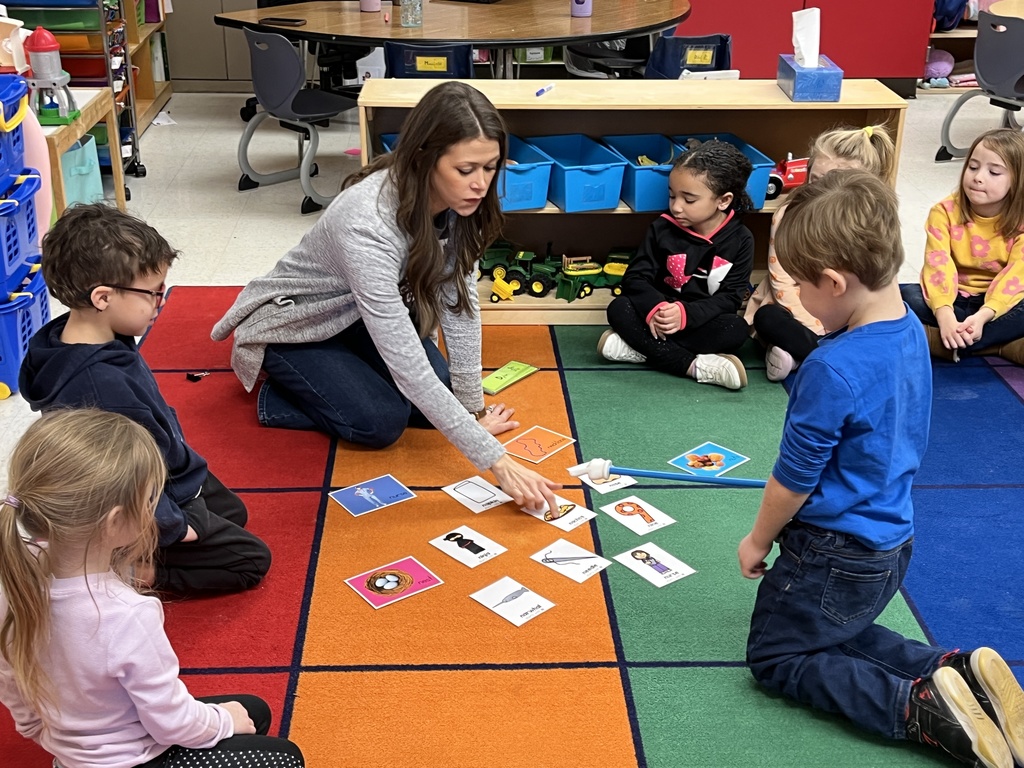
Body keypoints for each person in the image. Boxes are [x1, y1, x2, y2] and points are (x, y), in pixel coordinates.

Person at [738, 169, 1023, 768]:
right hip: (893, 545)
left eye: (799, 290)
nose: (799, 305)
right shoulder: (913, 336)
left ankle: (919, 709)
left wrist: (757, 538)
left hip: (831, 550)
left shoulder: (830, 367)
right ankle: (955, 672)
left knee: (777, 655)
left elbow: (794, 479)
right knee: (832, 631)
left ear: (834, 282)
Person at [212, 81, 560, 516]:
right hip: (294, 325)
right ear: (425, 160)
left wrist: (471, 410)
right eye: (467, 170)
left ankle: (347, 382)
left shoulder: (456, 204)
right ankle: (277, 389)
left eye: (490, 168)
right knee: (380, 423)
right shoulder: (366, 222)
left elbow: (459, 305)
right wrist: (498, 462)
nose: (481, 184)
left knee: (438, 396)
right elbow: (406, 363)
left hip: (355, 317)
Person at [0, 409, 305, 768]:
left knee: (253, 712)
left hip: (74, 755)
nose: (154, 511)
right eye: (150, 501)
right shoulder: (127, 614)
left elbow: (12, 687)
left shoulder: (14, 578)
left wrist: (47, 734)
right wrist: (224, 721)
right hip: (134, 760)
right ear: (115, 522)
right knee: (284, 757)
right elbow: (171, 723)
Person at [18, 204, 271, 596]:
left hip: (171, 473)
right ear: (102, 297)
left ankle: (156, 539)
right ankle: (137, 568)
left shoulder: (74, 335)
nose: (160, 302)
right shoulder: (101, 387)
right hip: (142, 496)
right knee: (250, 561)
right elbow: (124, 477)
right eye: (152, 294)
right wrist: (170, 526)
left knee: (235, 513)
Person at [597, 140, 755, 390]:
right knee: (619, 308)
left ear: (723, 201)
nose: (676, 206)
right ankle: (693, 367)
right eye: (672, 195)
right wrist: (656, 308)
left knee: (736, 329)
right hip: (657, 317)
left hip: (698, 321)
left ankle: (640, 348)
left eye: (689, 200)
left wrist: (685, 315)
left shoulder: (742, 239)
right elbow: (635, 279)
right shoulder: (662, 227)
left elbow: (730, 299)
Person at [744, 124, 896, 381]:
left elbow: (877, 281)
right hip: (797, 304)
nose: (822, 192)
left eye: (835, 182)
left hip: (847, 309)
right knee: (768, 318)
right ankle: (822, 354)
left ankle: (802, 355)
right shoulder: (789, 214)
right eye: (815, 180)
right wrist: (815, 324)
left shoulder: (870, 219)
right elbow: (781, 279)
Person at [901, 128, 1024, 365]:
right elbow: (938, 265)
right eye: (973, 166)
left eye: (994, 172)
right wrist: (944, 313)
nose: (978, 177)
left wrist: (984, 316)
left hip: (999, 305)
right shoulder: (944, 212)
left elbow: (1017, 277)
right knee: (905, 295)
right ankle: (999, 346)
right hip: (954, 298)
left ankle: (944, 343)